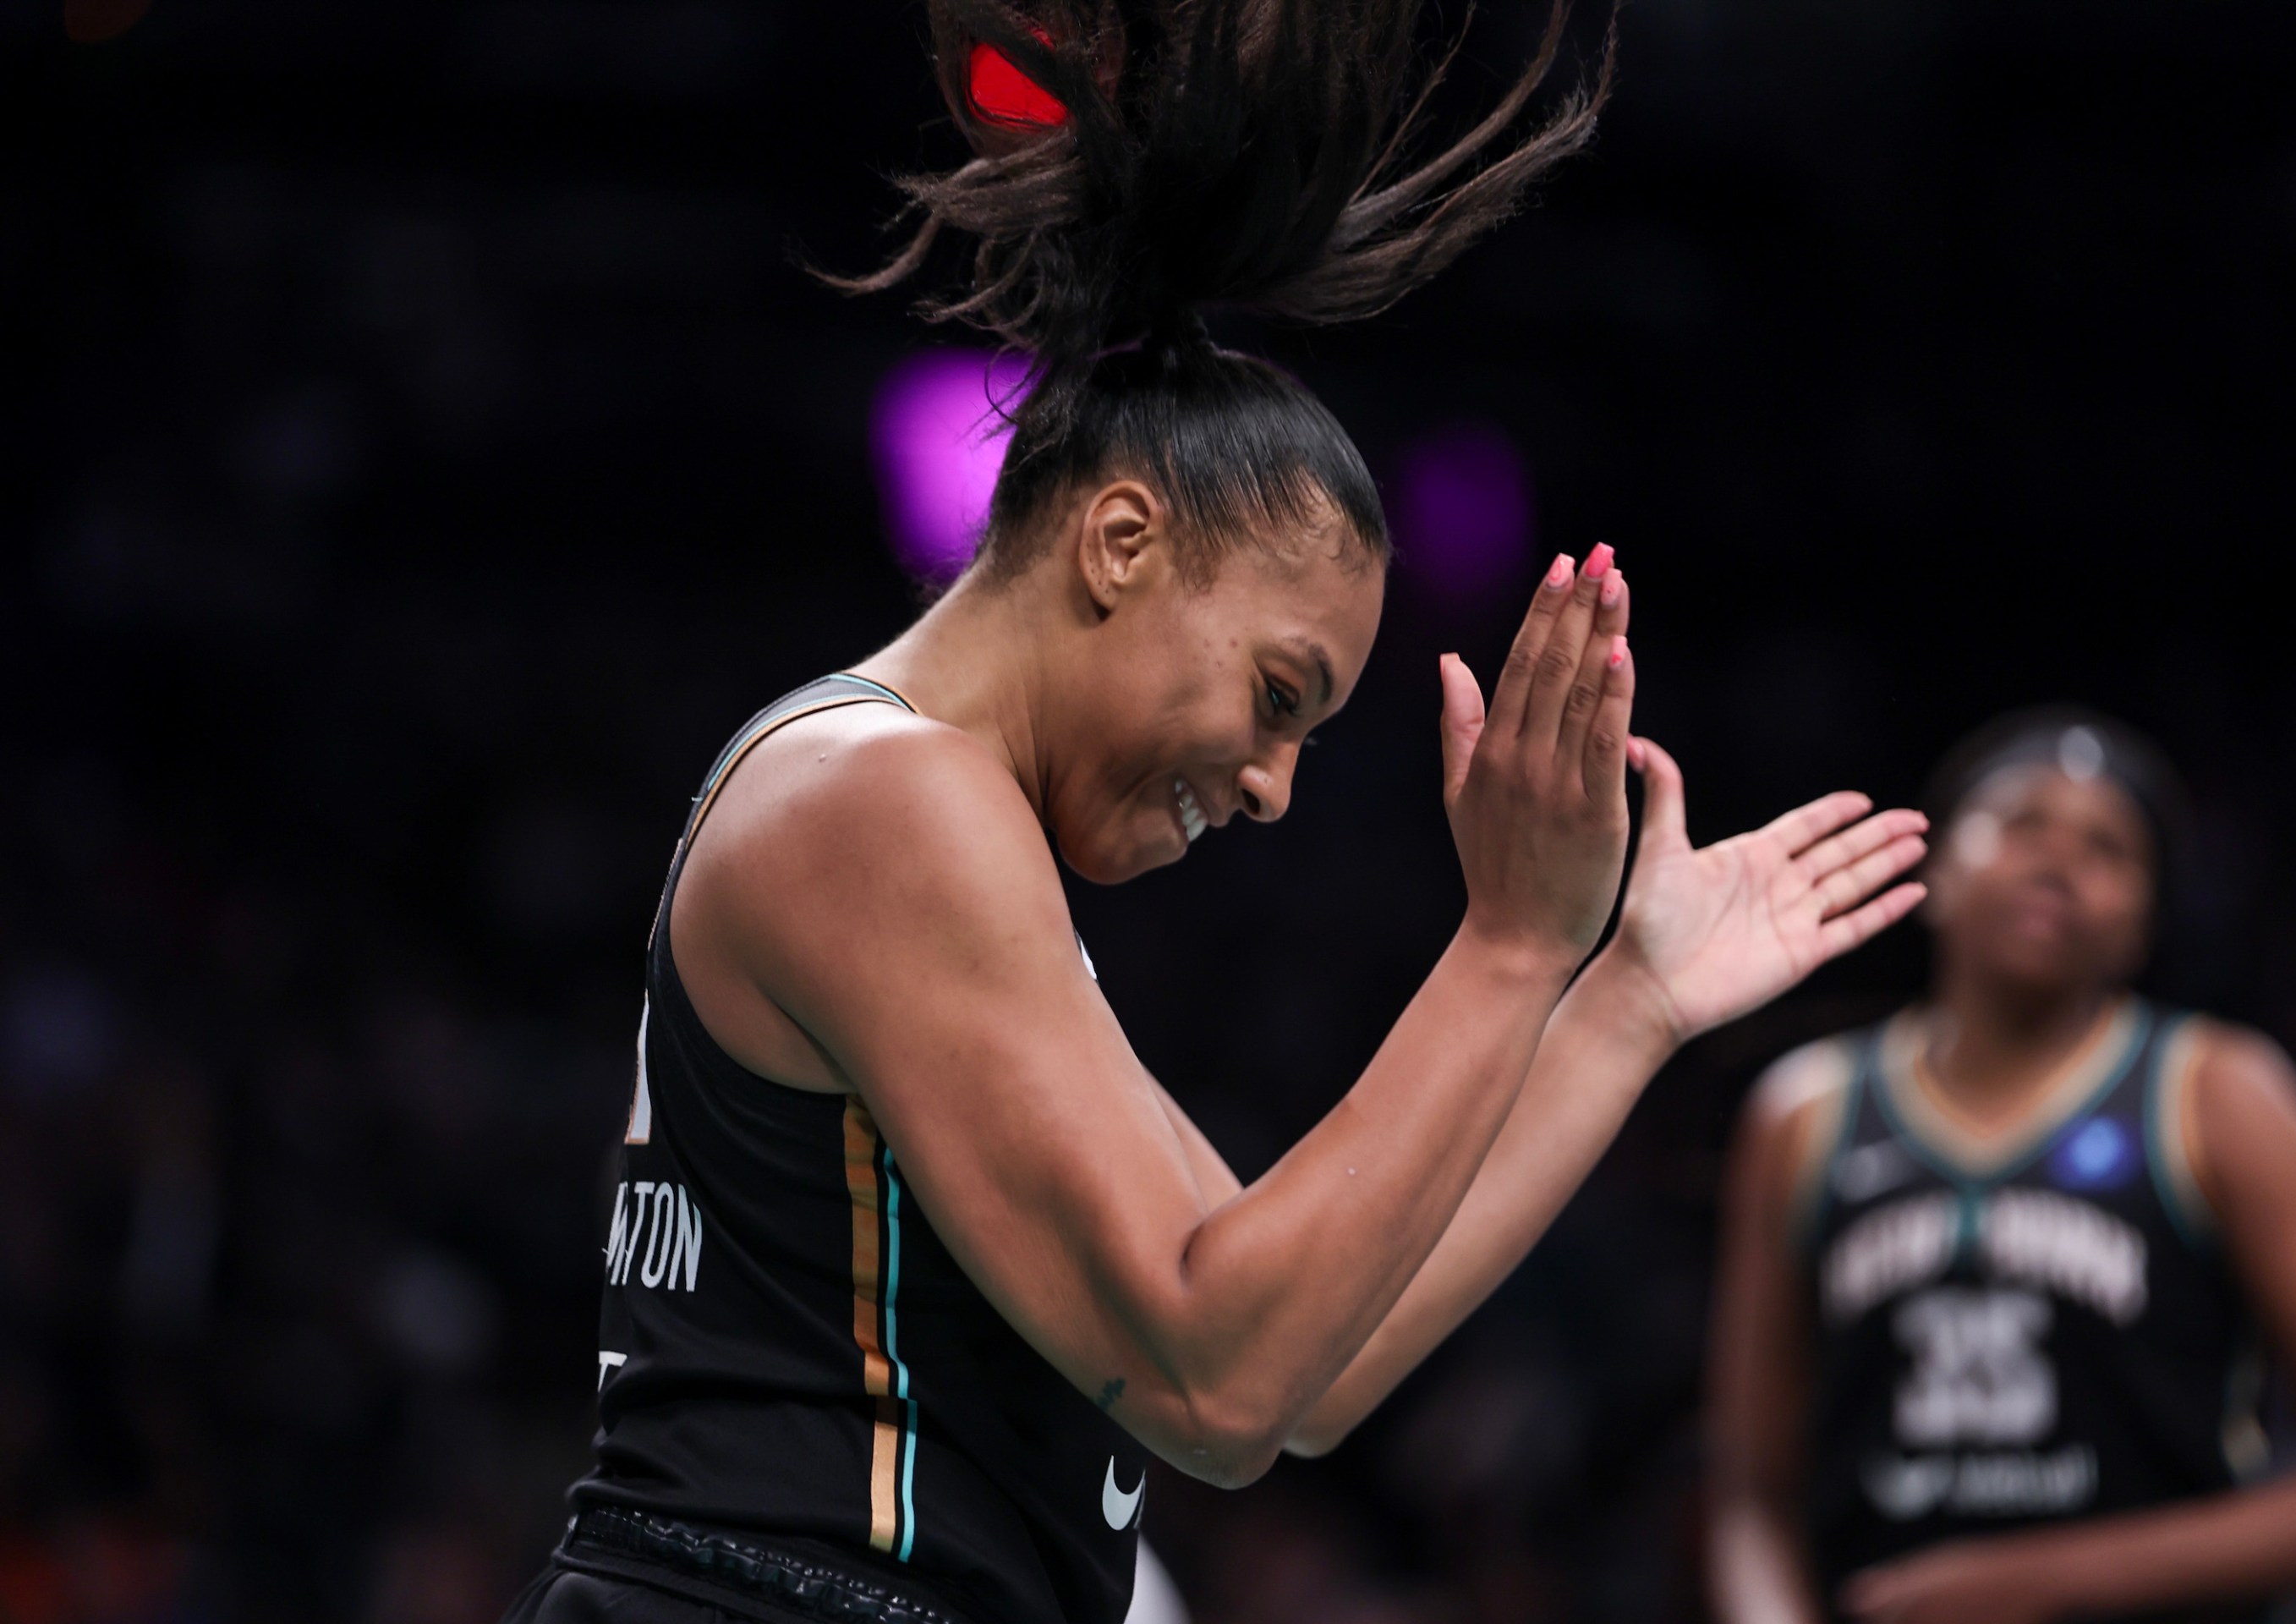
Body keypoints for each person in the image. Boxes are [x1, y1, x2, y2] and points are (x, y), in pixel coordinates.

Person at [507, 6, 1932, 1622]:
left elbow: (1305, 1361)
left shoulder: (928, 825)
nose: (1270, 790)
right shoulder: (886, 802)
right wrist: (1516, 941)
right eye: (1277, 695)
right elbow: (1224, 1374)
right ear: (1120, 543)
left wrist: (1623, 998)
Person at [1705, 709, 2296, 1624]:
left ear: (2143, 924)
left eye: (2108, 848)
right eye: (2020, 824)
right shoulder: (1804, 1111)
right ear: (1936, 872)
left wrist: (2042, 1582)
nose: (2059, 860)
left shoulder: (2219, 1092)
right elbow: (1749, 1495)